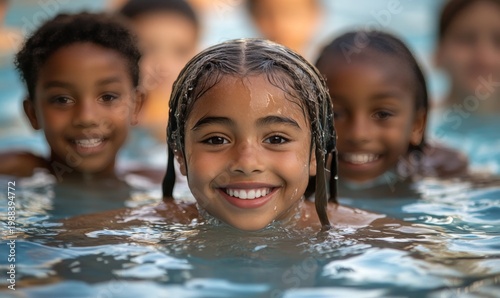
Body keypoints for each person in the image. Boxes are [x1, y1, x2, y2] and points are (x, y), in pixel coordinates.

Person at [62, 38, 401, 233]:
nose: (246, 163)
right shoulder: (131, 232)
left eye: (277, 139)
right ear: (180, 155)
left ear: (316, 155)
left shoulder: (367, 236)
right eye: (216, 140)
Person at [0, 13, 163, 217]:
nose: (87, 117)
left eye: (108, 97)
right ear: (32, 113)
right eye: (62, 100)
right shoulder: (14, 173)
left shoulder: (163, 187)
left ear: (137, 106)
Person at [315, 31, 468, 197]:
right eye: (335, 114)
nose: (358, 134)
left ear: (417, 125)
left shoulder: (438, 171)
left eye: (382, 114)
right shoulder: (297, 181)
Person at [431, 0, 500, 174]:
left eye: (499, 41)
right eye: (466, 39)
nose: (484, 57)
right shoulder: (418, 120)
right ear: (438, 54)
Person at [119, 0, 200, 142]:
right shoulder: (111, 115)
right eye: (148, 49)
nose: (164, 65)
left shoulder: (198, 113)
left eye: (181, 51)